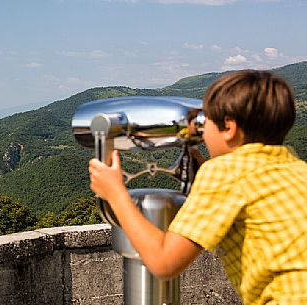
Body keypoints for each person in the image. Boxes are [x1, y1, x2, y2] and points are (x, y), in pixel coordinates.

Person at [88, 70, 307, 305]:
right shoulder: (297, 170)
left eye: (206, 121)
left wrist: (116, 193)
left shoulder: (224, 172)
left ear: (229, 128)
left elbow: (163, 262)